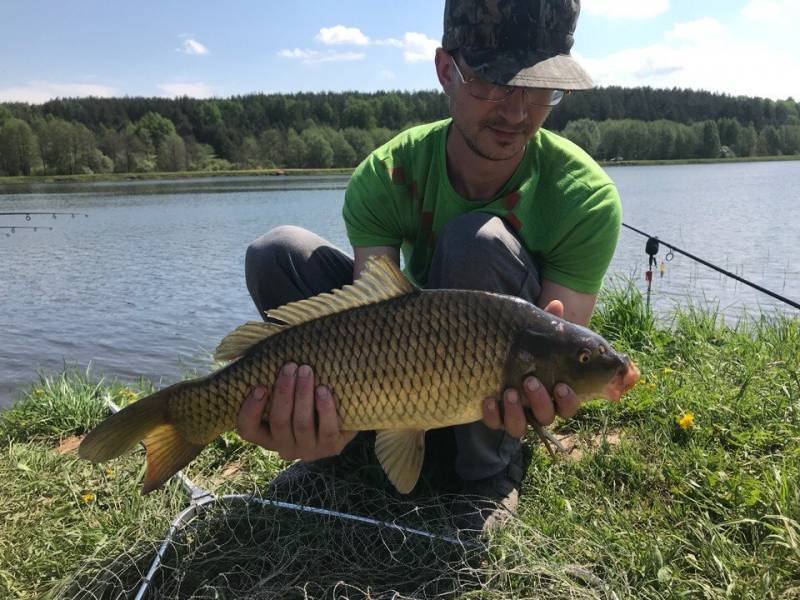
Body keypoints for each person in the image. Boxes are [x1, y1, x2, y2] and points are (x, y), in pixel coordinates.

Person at [237, 0, 621, 532]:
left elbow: (561, 351)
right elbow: (371, 308)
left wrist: (545, 399)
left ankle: (486, 474)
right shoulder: (388, 171)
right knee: (278, 252)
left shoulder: (587, 198)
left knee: (476, 241)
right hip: (399, 370)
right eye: (495, 82)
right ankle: (335, 445)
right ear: (447, 71)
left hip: (486, 389)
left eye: (542, 89)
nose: (518, 112)